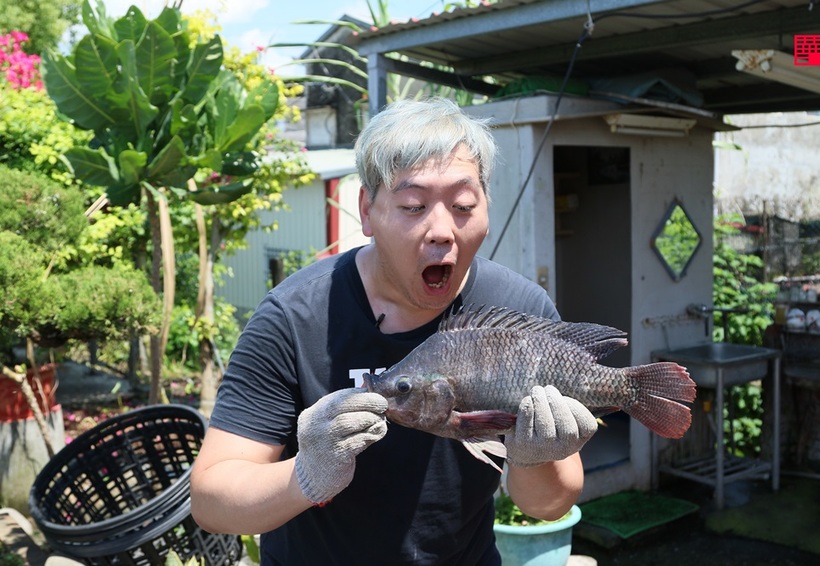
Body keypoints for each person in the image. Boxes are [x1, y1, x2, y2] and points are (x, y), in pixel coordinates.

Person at [190, 97, 598, 565]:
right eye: (413, 205)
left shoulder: (518, 312)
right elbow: (211, 500)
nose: (442, 229)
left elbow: (548, 504)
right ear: (367, 211)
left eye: (464, 204)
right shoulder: (295, 318)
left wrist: (532, 457)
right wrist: (306, 474)